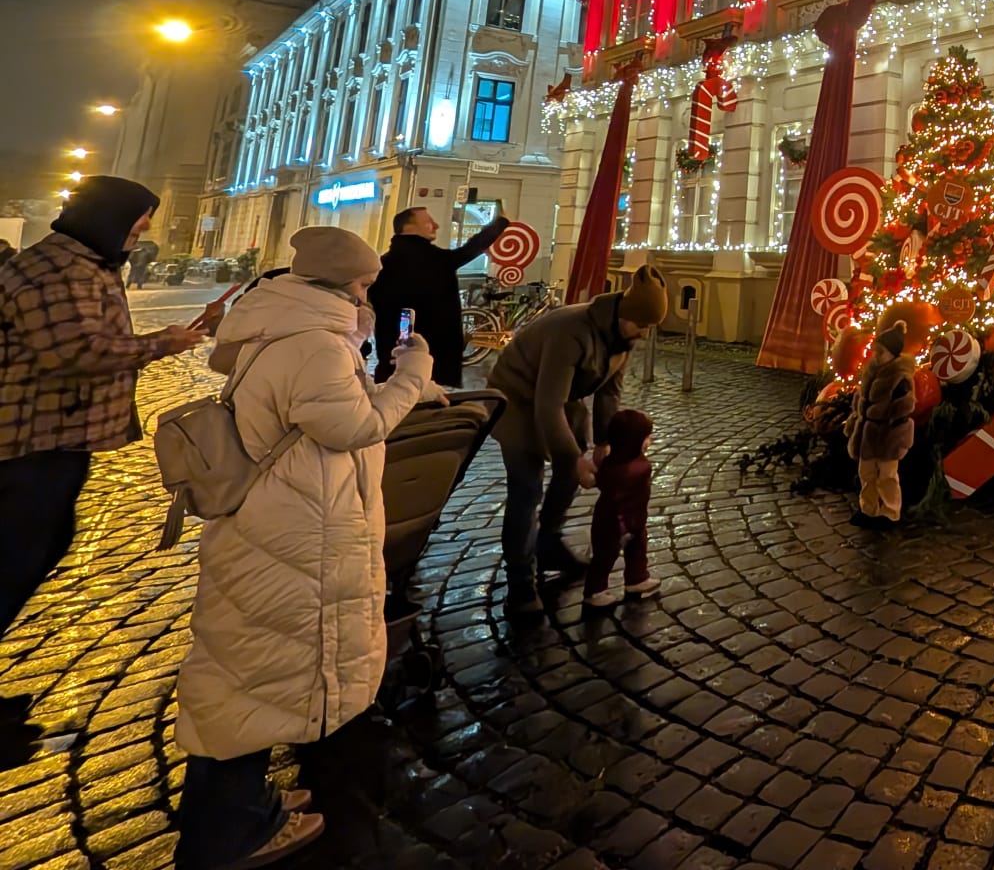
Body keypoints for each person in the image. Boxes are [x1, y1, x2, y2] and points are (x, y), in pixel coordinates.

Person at [171, 226, 434, 870]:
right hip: (292, 528)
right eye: (366, 281)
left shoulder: (284, 327)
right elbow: (357, 424)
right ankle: (228, 831)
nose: (371, 289)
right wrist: (414, 373)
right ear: (343, 282)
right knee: (254, 677)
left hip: (279, 520)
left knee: (247, 671)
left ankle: (239, 809)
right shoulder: (315, 343)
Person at [0, 177, 208, 764]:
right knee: (14, 560)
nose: (144, 228)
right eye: (141, 217)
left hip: (51, 439)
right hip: (30, 441)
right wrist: (158, 344)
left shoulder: (82, 262)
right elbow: (72, 352)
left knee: (34, 552)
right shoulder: (57, 269)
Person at [489, 266, 666, 616]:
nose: (644, 334)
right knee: (526, 489)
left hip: (560, 399)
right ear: (625, 315)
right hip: (516, 399)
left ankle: (549, 542)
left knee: (569, 477)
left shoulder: (623, 336)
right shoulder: (571, 332)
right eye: (642, 325)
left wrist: (604, 443)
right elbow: (546, 404)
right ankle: (521, 583)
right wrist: (573, 457)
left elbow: (609, 393)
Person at [366, 205, 508, 388]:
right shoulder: (435, 261)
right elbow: (470, 249)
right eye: (428, 223)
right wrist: (500, 225)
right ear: (409, 228)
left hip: (392, 360)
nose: (436, 226)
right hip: (431, 362)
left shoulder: (382, 265)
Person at [583, 408, 656, 610]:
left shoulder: (613, 463)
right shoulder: (637, 466)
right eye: (646, 437)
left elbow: (602, 482)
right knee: (606, 555)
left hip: (630, 519)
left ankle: (636, 578)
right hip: (614, 522)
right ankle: (596, 591)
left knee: (635, 548)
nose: (649, 441)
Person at [847, 323, 916, 525]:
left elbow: (903, 409)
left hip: (888, 434)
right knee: (866, 472)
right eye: (876, 351)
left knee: (887, 475)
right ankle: (868, 508)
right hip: (868, 431)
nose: (876, 355)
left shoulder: (899, 378)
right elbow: (861, 400)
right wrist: (855, 421)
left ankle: (890, 512)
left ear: (892, 354)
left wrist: (897, 438)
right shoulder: (872, 372)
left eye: (881, 352)